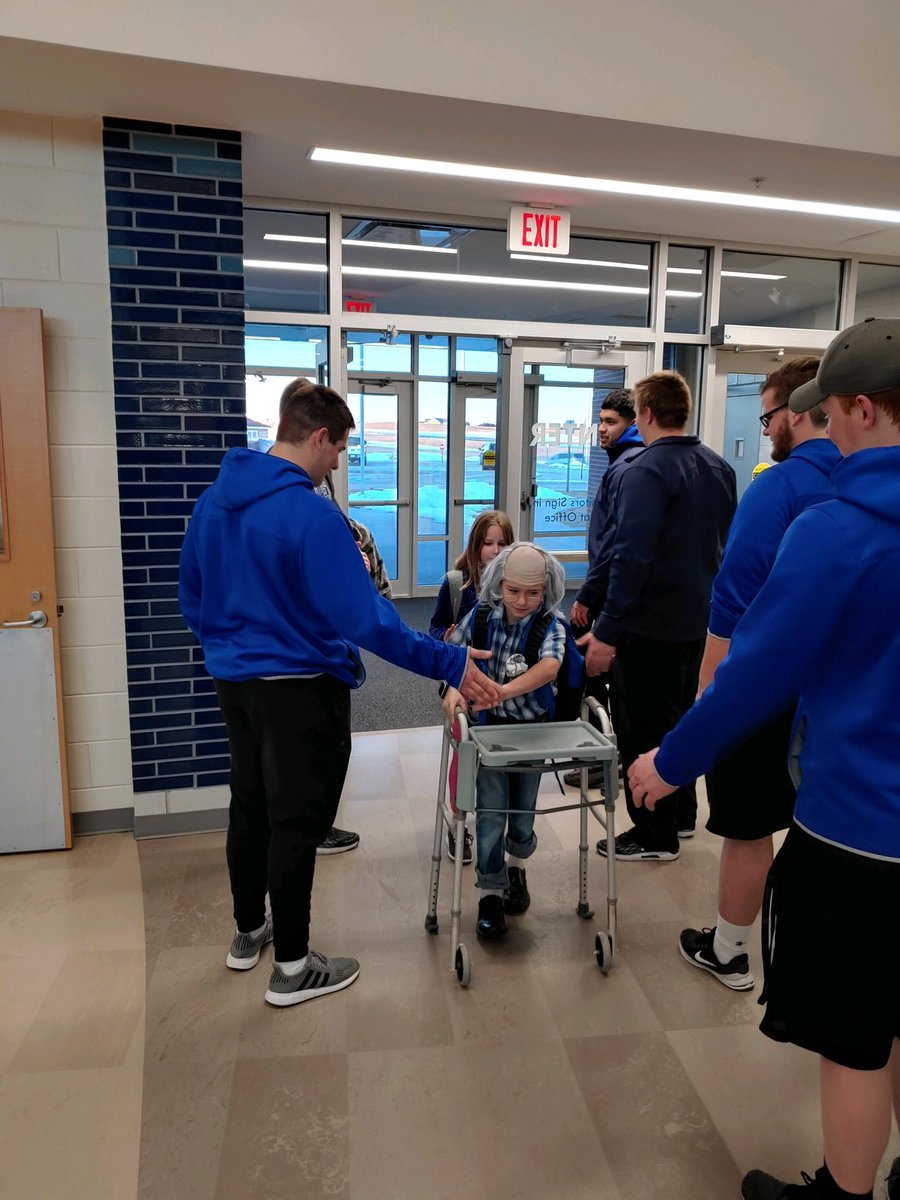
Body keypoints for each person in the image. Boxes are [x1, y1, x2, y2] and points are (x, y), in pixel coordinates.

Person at [628, 317, 900, 1200]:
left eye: (834, 409)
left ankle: (843, 1195)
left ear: (862, 410)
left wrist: (670, 762)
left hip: (860, 829)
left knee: (854, 1038)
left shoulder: (838, 528)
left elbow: (755, 669)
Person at [179, 379, 501, 1007]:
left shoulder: (213, 502)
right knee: (296, 823)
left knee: (249, 806)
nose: (335, 465)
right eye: (338, 451)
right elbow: (368, 621)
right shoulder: (312, 515)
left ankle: (249, 934)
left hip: (234, 684)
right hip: (300, 689)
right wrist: (450, 660)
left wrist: (231, 647)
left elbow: (192, 596)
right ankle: (293, 968)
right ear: (319, 436)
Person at [680, 356, 840, 989]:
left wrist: (709, 692)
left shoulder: (778, 487)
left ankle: (729, 951)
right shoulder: (863, 484)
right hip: (838, 698)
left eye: (768, 415)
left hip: (765, 690)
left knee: (748, 828)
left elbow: (733, 598)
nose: (765, 427)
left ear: (796, 413)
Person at [579, 370, 736, 861]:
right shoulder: (718, 467)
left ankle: (654, 835)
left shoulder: (645, 471)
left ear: (644, 414)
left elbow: (629, 557)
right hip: (699, 625)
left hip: (649, 629)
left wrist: (607, 631)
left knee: (643, 730)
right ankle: (682, 817)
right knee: (681, 721)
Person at [442, 543, 566, 939]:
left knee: (523, 811)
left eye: (533, 592)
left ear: (546, 589)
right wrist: (454, 687)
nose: (523, 601)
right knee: (492, 811)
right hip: (489, 731)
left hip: (531, 733)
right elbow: (452, 654)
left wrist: (503, 690)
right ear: (499, 584)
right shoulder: (481, 617)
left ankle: (517, 867)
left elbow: (550, 666)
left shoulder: (550, 624)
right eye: (513, 591)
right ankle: (490, 893)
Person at [566, 388, 644, 788]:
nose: (602, 429)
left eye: (611, 422)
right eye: (600, 421)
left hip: (612, 594)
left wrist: (589, 595)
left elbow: (615, 544)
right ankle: (605, 752)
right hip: (615, 590)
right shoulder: (625, 462)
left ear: (634, 422)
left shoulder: (627, 466)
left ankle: (601, 755)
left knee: (592, 667)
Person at [429, 509, 515, 864]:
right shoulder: (457, 583)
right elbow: (435, 627)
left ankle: (501, 821)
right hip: (464, 684)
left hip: (504, 686)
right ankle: (459, 822)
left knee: (501, 756)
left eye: (502, 543)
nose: (494, 551)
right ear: (475, 545)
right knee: (464, 752)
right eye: (488, 543)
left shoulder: (517, 584)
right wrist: (446, 636)